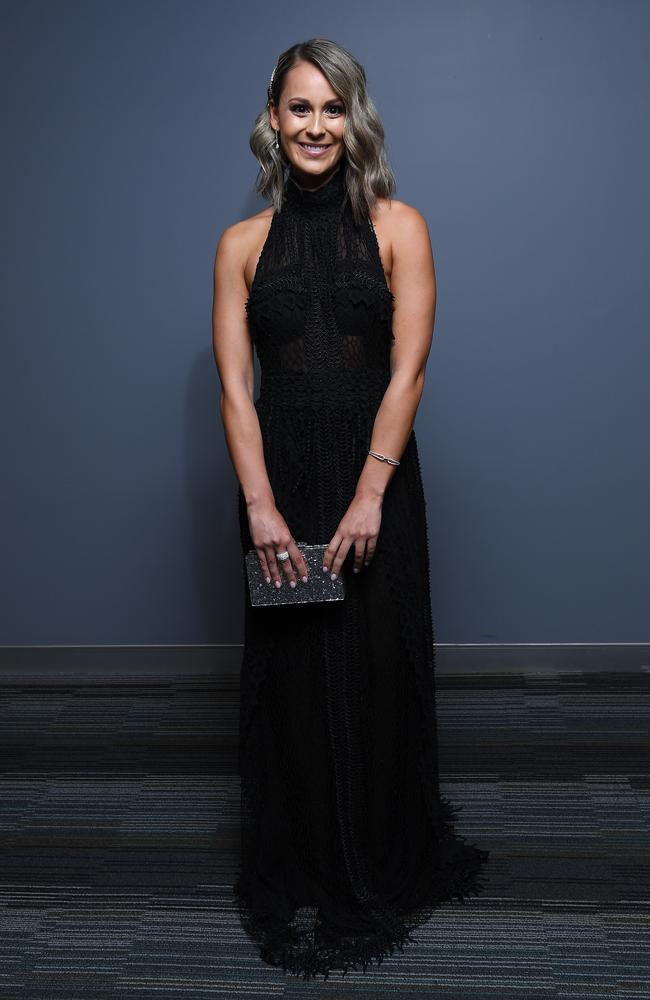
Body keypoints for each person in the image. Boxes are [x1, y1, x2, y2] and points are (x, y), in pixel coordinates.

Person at [212, 37, 489, 980]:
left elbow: (408, 368)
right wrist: (259, 506)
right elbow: (235, 390)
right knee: (295, 682)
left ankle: (379, 854)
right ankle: (307, 859)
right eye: (299, 108)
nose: (316, 126)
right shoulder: (240, 246)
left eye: (333, 109)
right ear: (273, 120)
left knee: (375, 670)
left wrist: (372, 492)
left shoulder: (399, 227)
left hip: (377, 480)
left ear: (355, 120)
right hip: (279, 486)